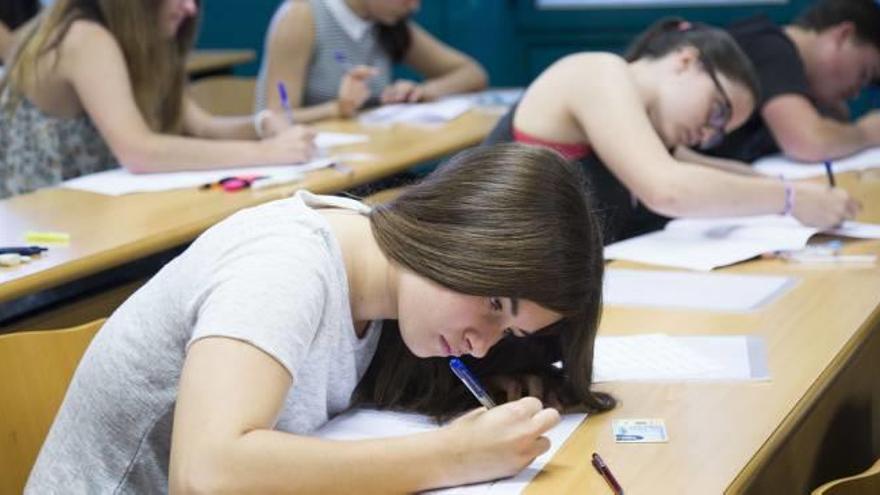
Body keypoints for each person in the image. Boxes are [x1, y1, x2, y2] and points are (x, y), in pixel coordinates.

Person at [26, 143, 614, 493]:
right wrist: (454, 456)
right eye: (493, 306)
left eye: (508, 334)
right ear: (460, 235)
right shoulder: (288, 265)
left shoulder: (379, 282)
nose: (480, 346)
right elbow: (205, 475)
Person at [484, 17, 860, 242]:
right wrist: (791, 199)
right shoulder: (596, 71)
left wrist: (794, 189)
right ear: (686, 61)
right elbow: (670, 189)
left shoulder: (649, 135)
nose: (707, 135)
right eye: (717, 112)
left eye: (720, 133)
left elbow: (704, 171)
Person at [0, 0, 314, 199]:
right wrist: (266, 152)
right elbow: (139, 151)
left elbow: (201, 127)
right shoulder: (84, 36)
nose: (191, 8)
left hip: (99, 219)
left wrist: (261, 125)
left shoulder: (142, 40)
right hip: (45, 244)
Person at [254, 0, 488, 122]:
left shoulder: (386, 21)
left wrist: (422, 90)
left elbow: (472, 73)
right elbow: (274, 117)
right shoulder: (301, 15)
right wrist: (336, 109)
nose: (415, 6)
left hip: (369, 156)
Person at [707, 0, 880, 163]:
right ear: (844, 35)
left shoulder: (802, 80)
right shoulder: (768, 46)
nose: (856, 93)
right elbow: (808, 142)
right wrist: (867, 133)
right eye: (863, 74)